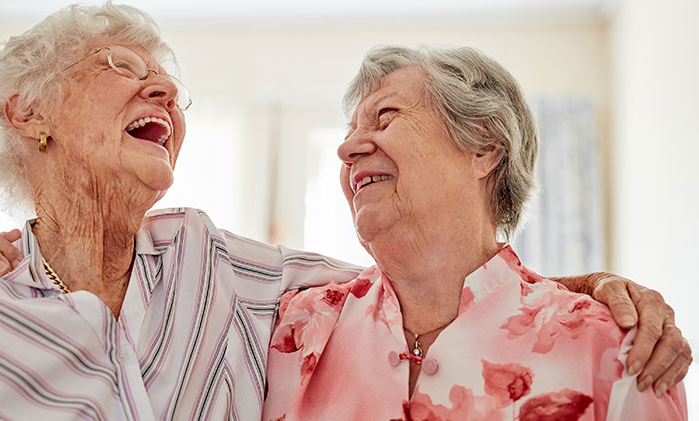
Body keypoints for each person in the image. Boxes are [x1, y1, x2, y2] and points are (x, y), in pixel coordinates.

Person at [0, 3, 689, 420]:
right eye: (124, 66)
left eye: (172, 84)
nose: (163, 90)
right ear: (29, 115)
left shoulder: (229, 273)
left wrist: (587, 292)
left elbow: (440, 287)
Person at [261, 46, 687, 420]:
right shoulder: (286, 331)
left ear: (483, 147)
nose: (346, 150)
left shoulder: (615, 350)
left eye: (385, 117)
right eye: (350, 132)